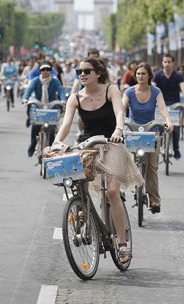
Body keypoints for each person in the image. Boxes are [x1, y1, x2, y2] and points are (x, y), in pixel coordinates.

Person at [53, 57, 143, 264]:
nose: (82, 75)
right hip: (88, 146)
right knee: (78, 186)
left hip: (112, 143)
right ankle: (85, 215)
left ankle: (122, 243)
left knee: (112, 192)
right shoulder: (75, 97)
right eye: (79, 71)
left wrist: (119, 129)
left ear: (98, 73)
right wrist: (56, 142)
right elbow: (66, 124)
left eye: (86, 71)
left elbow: (120, 113)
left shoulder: (111, 90)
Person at [122, 62, 173, 214]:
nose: (140, 76)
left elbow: (162, 108)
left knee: (152, 167)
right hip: (132, 132)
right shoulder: (129, 92)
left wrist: (168, 121)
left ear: (149, 75)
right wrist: (118, 123)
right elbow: (122, 108)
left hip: (151, 132)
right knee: (124, 161)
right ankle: (121, 191)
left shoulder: (156, 91)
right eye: (138, 74)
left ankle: (155, 200)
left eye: (143, 73)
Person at [22, 63, 65, 157]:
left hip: (51, 104)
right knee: (35, 124)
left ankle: (51, 148)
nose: (45, 71)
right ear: (40, 71)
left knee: (52, 127)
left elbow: (61, 90)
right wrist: (25, 99)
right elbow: (28, 91)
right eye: (43, 69)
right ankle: (32, 144)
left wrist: (63, 100)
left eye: (47, 69)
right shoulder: (35, 80)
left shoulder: (55, 81)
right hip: (38, 104)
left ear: (50, 71)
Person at [153, 54, 184, 159]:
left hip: (175, 104)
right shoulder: (157, 75)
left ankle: (176, 149)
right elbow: (152, 88)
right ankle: (157, 146)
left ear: (173, 63)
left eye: (169, 62)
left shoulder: (178, 75)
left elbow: (183, 88)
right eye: (165, 62)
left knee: (176, 128)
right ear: (162, 63)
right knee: (158, 127)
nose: (167, 64)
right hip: (160, 104)